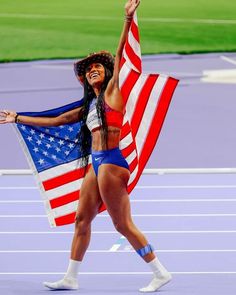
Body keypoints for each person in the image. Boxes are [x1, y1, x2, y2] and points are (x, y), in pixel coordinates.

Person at [0, 0, 172, 292]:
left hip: (112, 164)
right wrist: (18, 117)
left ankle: (159, 271)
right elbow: (58, 120)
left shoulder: (113, 93)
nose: (93, 70)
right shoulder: (90, 105)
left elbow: (120, 55)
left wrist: (128, 20)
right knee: (82, 219)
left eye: (97, 67)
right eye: (88, 70)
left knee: (122, 224)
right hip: (96, 163)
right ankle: (70, 277)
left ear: (106, 72)